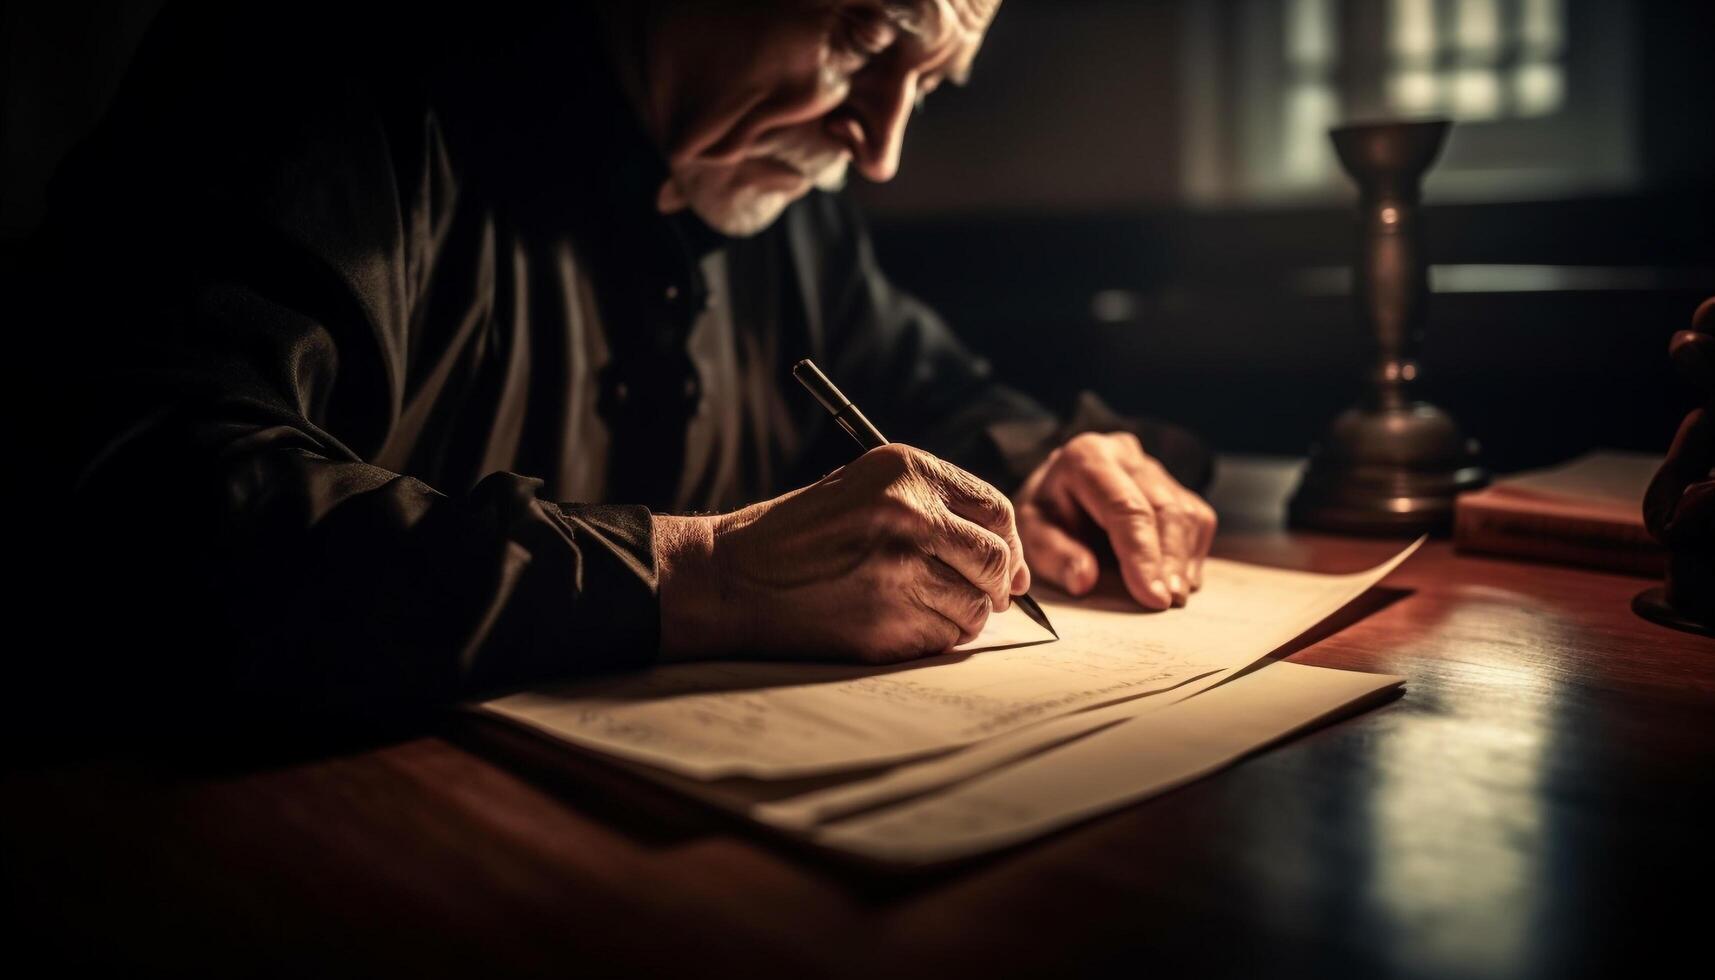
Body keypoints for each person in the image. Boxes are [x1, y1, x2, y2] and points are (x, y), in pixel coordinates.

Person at [25, 0, 1215, 721]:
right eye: (857, 33)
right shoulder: (318, 71)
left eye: (929, 83)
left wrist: (1042, 461)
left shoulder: (786, 209)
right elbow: (134, 503)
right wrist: (700, 575)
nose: (882, 149)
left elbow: (933, 390)